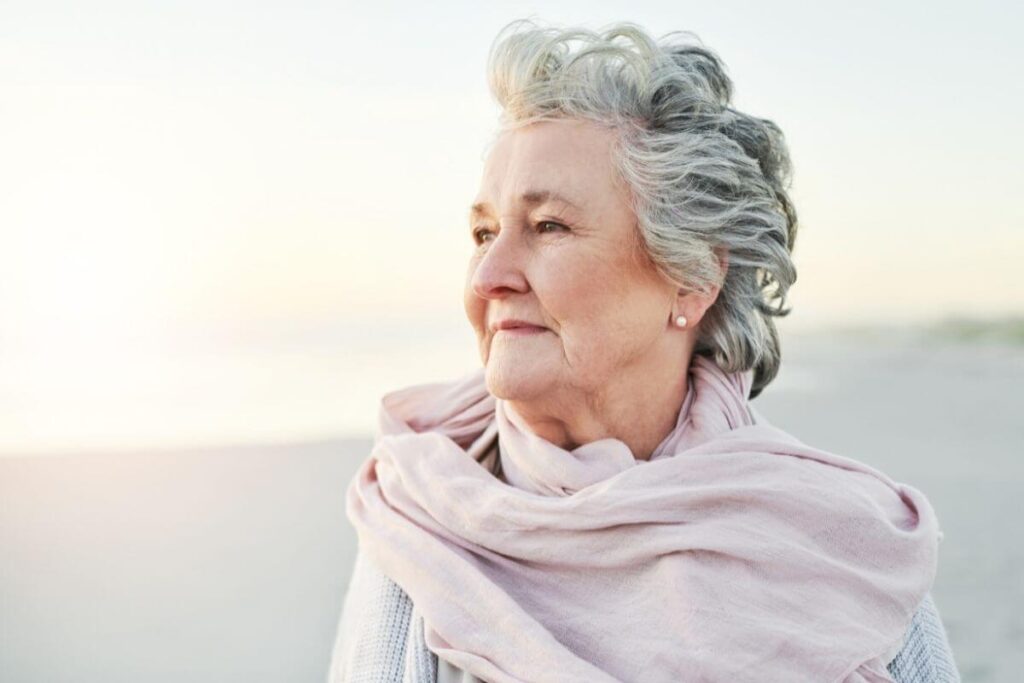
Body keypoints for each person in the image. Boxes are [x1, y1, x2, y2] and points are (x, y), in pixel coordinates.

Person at [328, 19, 960, 683]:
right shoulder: (414, 515)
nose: (489, 275)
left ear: (691, 278)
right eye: (484, 232)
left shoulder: (838, 545)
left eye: (548, 226)